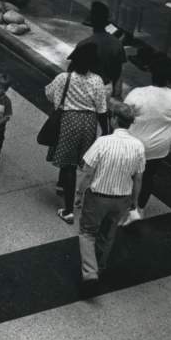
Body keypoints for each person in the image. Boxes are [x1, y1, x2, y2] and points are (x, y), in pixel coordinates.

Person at [73, 103, 144, 293]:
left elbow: (87, 172)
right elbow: (138, 178)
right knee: (108, 234)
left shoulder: (102, 142)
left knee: (87, 233)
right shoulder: (138, 146)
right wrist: (134, 202)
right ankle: (100, 267)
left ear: (113, 119)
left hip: (98, 197)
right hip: (122, 199)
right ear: (130, 123)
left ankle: (90, 272)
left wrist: (79, 194)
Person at [45, 41, 110, 224]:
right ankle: (61, 185)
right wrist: (105, 131)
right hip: (88, 123)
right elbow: (102, 109)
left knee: (68, 164)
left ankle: (68, 210)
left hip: (68, 121)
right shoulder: (97, 80)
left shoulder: (63, 78)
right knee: (75, 160)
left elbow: (49, 94)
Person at [120, 57, 171, 226]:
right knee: (148, 177)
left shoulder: (138, 93)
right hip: (159, 145)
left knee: (128, 176)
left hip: (135, 142)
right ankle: (139, 209)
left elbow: (124, 114)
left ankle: (124, 209)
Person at [74, 1, 127, 97]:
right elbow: (118, 76)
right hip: (105, 90)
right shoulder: (117, 44)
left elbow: (75, 75)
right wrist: (116, 97)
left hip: (86, 90)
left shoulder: (83, 44)